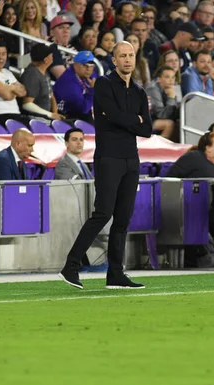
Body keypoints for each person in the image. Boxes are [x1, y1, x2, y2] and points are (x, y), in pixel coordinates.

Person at [59, 41, 153, 290]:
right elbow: (113, 115)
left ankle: (116, 273)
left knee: (123, 217)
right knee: (103, 213)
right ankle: (71, 265)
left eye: (131, 55)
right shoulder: (103, 84)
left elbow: (147, 129)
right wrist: (134, 119)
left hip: (131, 159)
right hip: (108, 157)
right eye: (122, 56)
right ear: (113, 60)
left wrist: (126, 120)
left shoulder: (139, 91)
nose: (127, 60)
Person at [20, 43, 64, 120]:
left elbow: (51, 96)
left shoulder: (44, 72)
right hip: (35, 119)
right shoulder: (32, 74)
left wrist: (55, 115)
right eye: (51, 55)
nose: (53, 56)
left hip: (47, 118)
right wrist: (50, 115)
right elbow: (27, 104)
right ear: (46, 60)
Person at [53, 50, 98, 123]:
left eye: (91, 66)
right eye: (85, 65)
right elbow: (83, 109)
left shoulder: (88, 74)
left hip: (82, 112)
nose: (88, 69)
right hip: (66, 115)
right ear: (75, 64)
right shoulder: (68, 81)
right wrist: (92, 90)